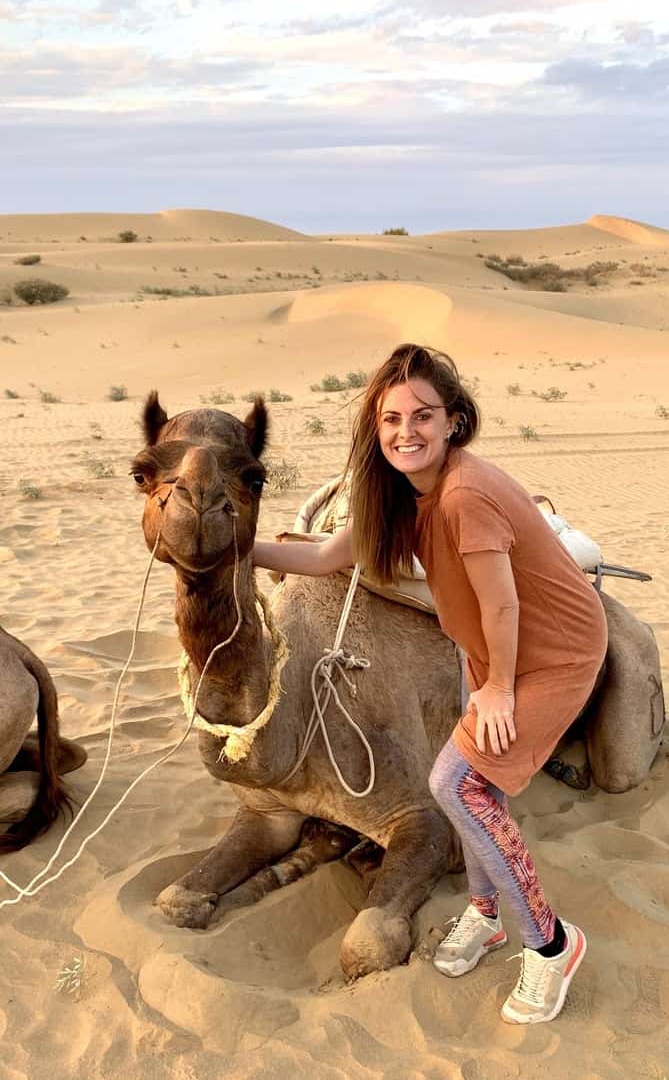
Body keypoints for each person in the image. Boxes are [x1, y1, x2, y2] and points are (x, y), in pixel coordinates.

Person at [251, 343, 607, 1025]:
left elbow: (503, 603)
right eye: (391, 419)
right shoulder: (402, 494)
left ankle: (552, 943)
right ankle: (484, 913)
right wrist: (236, 550)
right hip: (491, 647)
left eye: (423, 415)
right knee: (481, 784)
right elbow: (326, 555)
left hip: (551, 651)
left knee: (457, 783)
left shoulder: (465, 495)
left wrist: (500, 686)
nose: (406, 431)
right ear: (375, 428)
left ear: (454, 421)